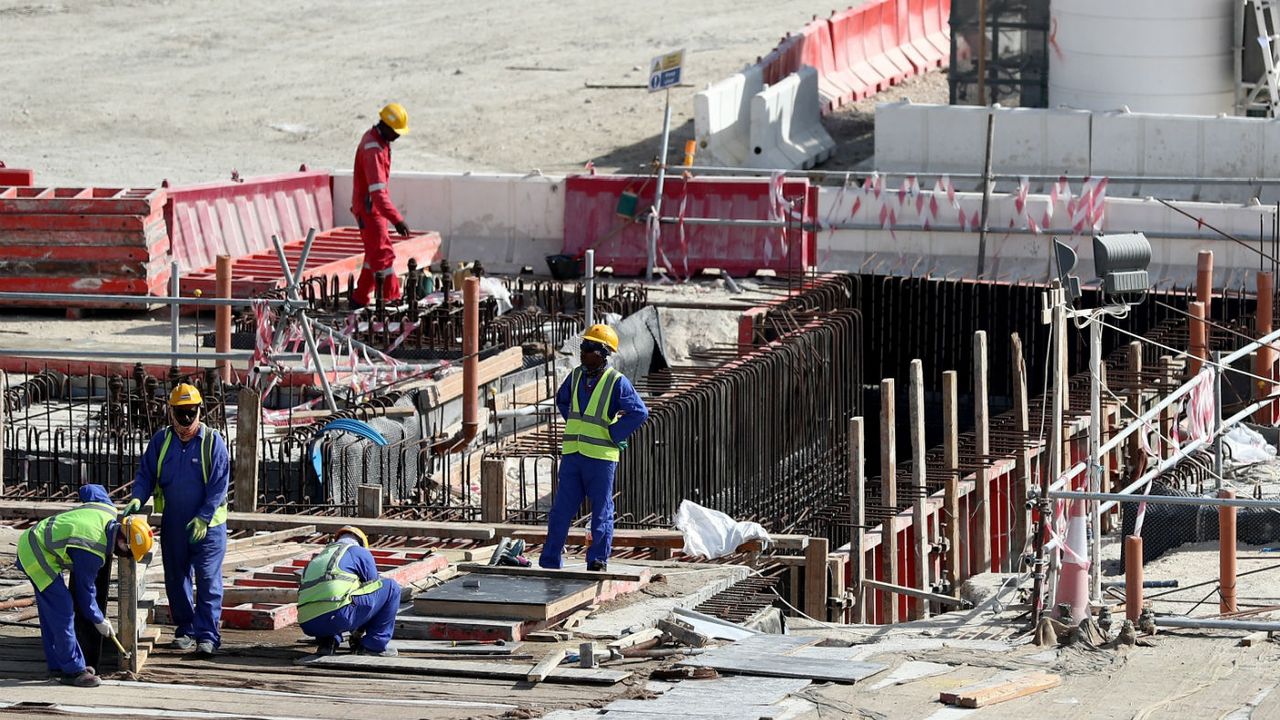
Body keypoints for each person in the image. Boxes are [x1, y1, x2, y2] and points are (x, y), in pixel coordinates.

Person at [124, 383, 229, 656]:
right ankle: (186, 628)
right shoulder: (162, 441)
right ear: (171, 413)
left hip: (209, 526)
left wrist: (204, 518)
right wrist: (138, 496)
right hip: (175, 522)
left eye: (190, 414)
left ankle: (207, 635)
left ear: (199, 411)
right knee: (176, 577)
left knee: (207, 579)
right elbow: (146, 473)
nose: (186, 421)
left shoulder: (212, 442)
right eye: (180, 414)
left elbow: (219, 485)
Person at [16, 484, 153, 687]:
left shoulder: (107, 510)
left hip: (37, 541)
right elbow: (85, 593)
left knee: (51, 611)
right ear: (123, 540)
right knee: (62, 608)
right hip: (35, 552)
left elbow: (91, 490)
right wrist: (99, 619)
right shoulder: (92, 550)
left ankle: (58, 664)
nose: (125, 556)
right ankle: (73, 670)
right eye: (128, 552)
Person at [540, 324, 649, 572]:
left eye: (589, 348)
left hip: (600, 458)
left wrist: (614, 432)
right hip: (573, 455)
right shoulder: (576, 375)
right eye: (584, 346)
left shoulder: (616, 382)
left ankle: (597, 560)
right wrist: (576, 425)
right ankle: (549, 561)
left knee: (601, 512)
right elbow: (563, 400)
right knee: (560, 512)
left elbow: (639, 412)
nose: (584, 352)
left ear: (603, 353)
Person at [297, 526, 400, 657]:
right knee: (391, 587)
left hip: (308, 623)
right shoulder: (358, 552)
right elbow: (373, 588)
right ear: (361, 543)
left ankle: (328, 643)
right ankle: (373, 645)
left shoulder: (318, 558)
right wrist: (358, 632)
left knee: (332, 596)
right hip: (339, 616)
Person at [351, 102, 411, 308]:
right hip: (370, 210)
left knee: (374, 254)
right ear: (385, 126)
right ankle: (392, 300)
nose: (398, 136)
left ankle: (359, 298)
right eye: (396, 132)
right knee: (384, 256)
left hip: (373, 209)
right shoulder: (373, 148)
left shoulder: (380, 142)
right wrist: (397, 220)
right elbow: (377, 193)